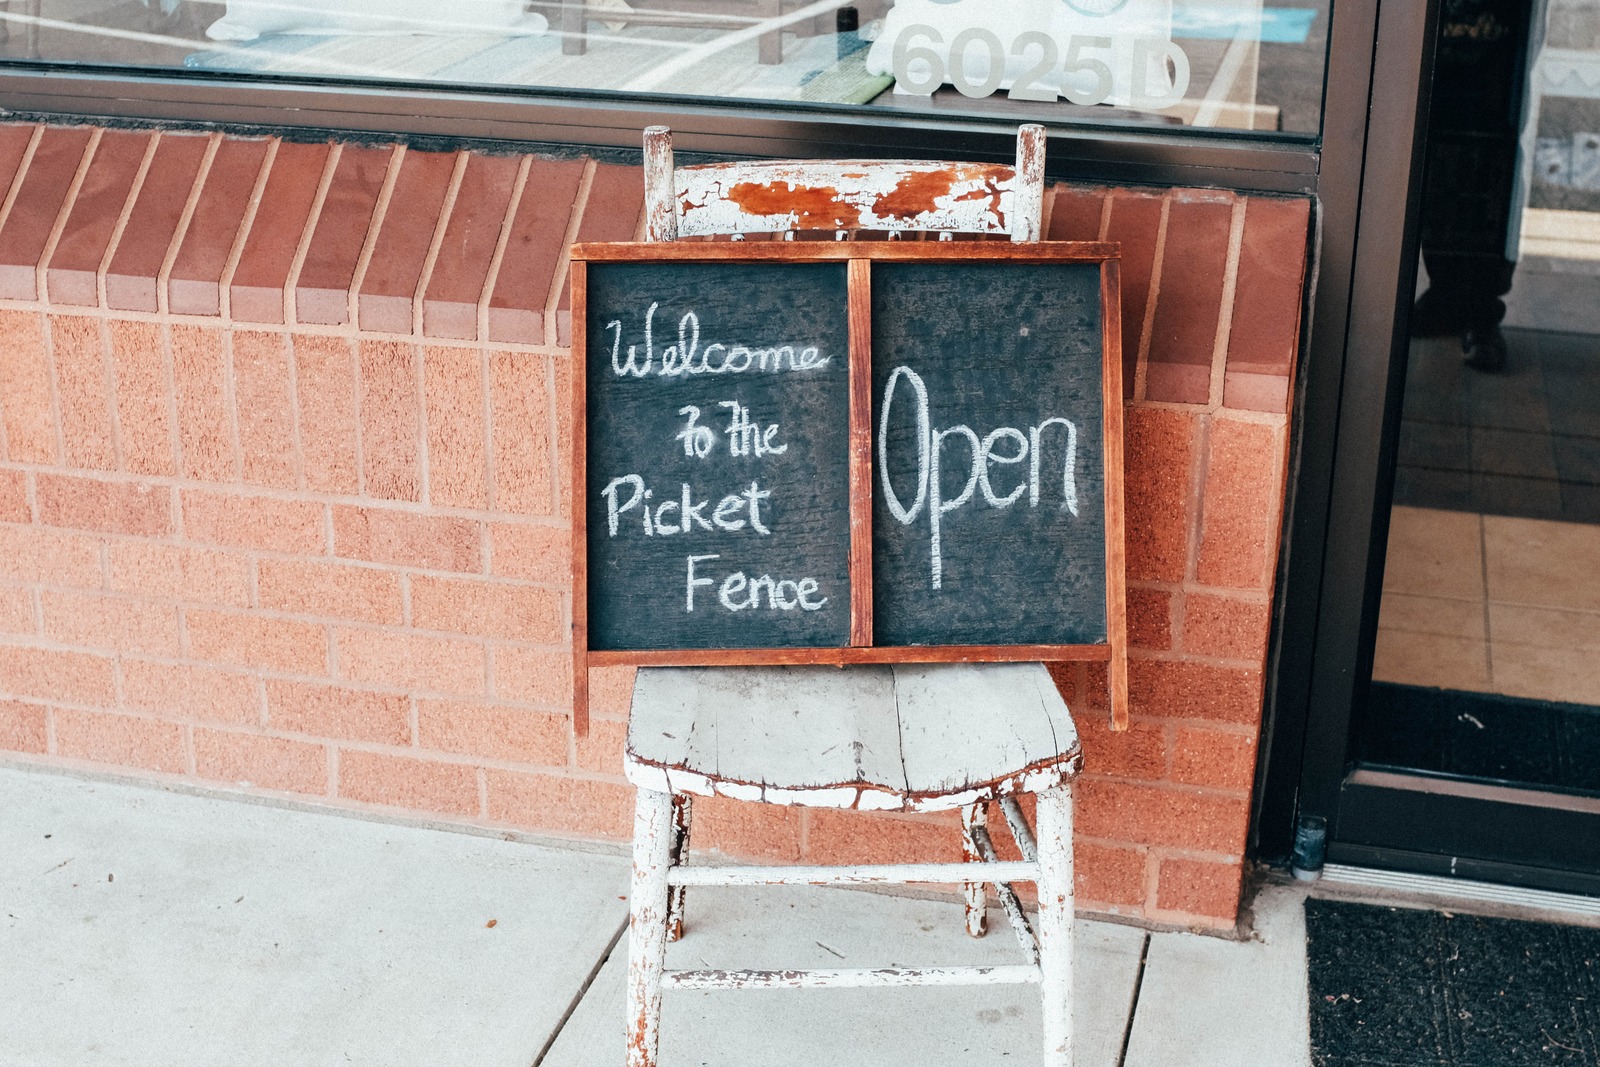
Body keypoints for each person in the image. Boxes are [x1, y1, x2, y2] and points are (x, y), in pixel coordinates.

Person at [1411, 0, 1536, 372]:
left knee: (1489, 199)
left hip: (1497, 84)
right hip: (1440, 78)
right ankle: (1446, 296)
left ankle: (1480, 315)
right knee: (1437, 191)